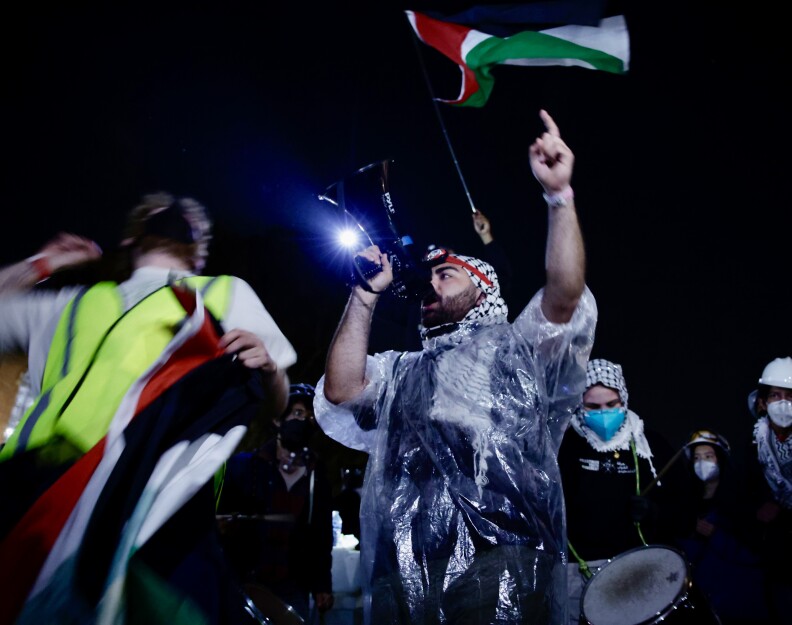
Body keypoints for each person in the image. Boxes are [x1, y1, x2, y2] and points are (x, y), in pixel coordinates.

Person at [314, 109, 597, 625]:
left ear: (484, 287)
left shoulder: (518, 347)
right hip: (410, 566)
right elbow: (341, 389)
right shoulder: (403, 370)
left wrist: (559, 196)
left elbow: (564, 293)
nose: (432, 283)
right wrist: (362, 295)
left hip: (504, 559)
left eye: (446, 274)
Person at [0, 192, 297, 625]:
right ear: (132, 238)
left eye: (193, 217)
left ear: (202, 250)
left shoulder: (223, 292)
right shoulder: (73, 303)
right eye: (160, 211)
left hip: (159, 511)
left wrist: (269, 369)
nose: (178, 212)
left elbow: (277, 405)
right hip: (44, 497)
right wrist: (42, 264)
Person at [558, 358, 689, 625]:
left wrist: (655, 513)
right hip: (577, 572)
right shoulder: (564, 445)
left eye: (611, 405)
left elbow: (685, 512)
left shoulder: (650, 445)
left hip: (638, 570)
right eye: (592, 406)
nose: (603, 413)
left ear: (624, 400)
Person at [217, 382, 335, 623]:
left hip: (293, 584)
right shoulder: (243, 466)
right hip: (246, 579)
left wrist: (322, 584)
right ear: (278, 421)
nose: (304, 421)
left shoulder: (317, 474)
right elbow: (220, 518)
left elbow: (321, 535)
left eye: (310, 417)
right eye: (298, 413)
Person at [674, 429, 770, 625]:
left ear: (721, 460)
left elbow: (756, 553)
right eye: (697, 458)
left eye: (709, 456)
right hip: (705, 604)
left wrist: (715, 535)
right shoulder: (686, 505)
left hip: (741, 602)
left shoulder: (743, 501)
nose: (703, 463)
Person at [746, 356, 792, 624]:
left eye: (790, 395)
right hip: (775, 560)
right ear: (762, 402)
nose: (784, 403)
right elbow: (739, 498)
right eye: (775, 395)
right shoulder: (754, 447)